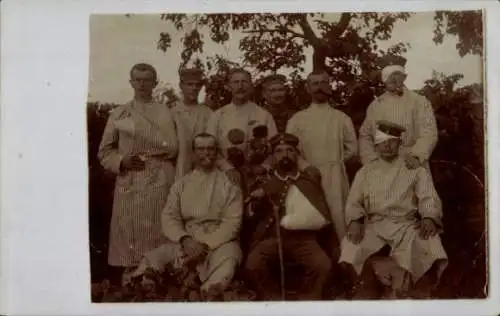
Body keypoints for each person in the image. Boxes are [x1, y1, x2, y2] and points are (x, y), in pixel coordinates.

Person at [98, 63, 187, 282]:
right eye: (137, 80)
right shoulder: (120, 113)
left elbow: (181, 149)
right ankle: (130, 280)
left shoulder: (168, 112)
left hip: (161, 176)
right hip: (131, 179)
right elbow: (105, 151)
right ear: (131, 83)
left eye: (147, 80)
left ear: (155, 83)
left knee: (160, 226)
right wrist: (122, 161)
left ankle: (157, 276)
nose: (142, 84)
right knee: (130, 229)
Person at [338, 120, 448, 299]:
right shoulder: (365, 172)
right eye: (382, 142)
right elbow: (353, 202)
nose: (387, 146)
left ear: (399, 143)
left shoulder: (414, 170)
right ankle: (365, 287)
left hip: (407, 224)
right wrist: (355, 221)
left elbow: (428, 197)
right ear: (376, 145)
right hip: (375, 224)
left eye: (392, 142)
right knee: (351, 245)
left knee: (430, 243)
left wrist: (428, 216)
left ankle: (417, 289)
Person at [129, 133, 244, 299]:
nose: (206, 153)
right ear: (193, 153)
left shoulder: (229, 185)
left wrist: (205, 246)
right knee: (152, 259)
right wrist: (185, 240)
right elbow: (169, 216)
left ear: (217, 152)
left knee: (229, 260)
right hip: (187, 241)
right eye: (201, 149)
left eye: (210, 149)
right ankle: (152, 293)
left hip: (219, 242)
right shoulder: (181, 184)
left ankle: (206, 294)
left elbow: (232, 223)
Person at [244, 133, 335, 301]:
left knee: (323, 265)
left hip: (304, 239)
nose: (284, 155)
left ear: (296, 154)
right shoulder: (263, 183)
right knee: (253, 264)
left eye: (289, 151)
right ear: (273, 157)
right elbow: (251, 216)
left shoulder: (308, 181)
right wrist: (258, 202)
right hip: (272, 238)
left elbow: (322, 215)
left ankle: (308, 298)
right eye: (279, 151)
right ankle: (273, 297)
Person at [286, 71, 358, 241]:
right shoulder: (297, 120)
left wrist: (336, 163)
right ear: (308, 88)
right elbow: (290, 150)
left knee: (339, 217)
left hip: (335, 176)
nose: (319, 87)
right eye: (315, 83)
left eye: (324, 83)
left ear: (329, 87)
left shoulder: (341, 118)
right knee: (310, 218)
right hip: (306, 176)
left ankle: (345, 259)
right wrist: (306, 166)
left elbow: (352, 149)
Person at [358, 55, 438, 169]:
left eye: (397, 74)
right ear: (383, 78)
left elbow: (429, 133)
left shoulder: (419, 102)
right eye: (389, 75)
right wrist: (370, 159)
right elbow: (365, 136)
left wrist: (416, 156)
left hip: (411, 163)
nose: (393, 79)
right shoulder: (375, 106)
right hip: (381, 166)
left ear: (404, 77)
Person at [206, 68, 278, 174]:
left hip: (257, 174)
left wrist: (264, 167)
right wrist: (226, 167)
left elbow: (275, 147)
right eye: (236, 82)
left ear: (250, 86)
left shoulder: (263, 115)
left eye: (244, 82)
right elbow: (209, 147)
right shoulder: (218, 116)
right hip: (225, 174)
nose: (240, 86)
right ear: (229, 87)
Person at [169, 68, 214, 175]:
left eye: (197, 85)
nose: (194, 88)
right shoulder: (172, 113)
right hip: (179, 170)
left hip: (203, 170)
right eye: (190, 84)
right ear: (181, 85)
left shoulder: (208, 113)